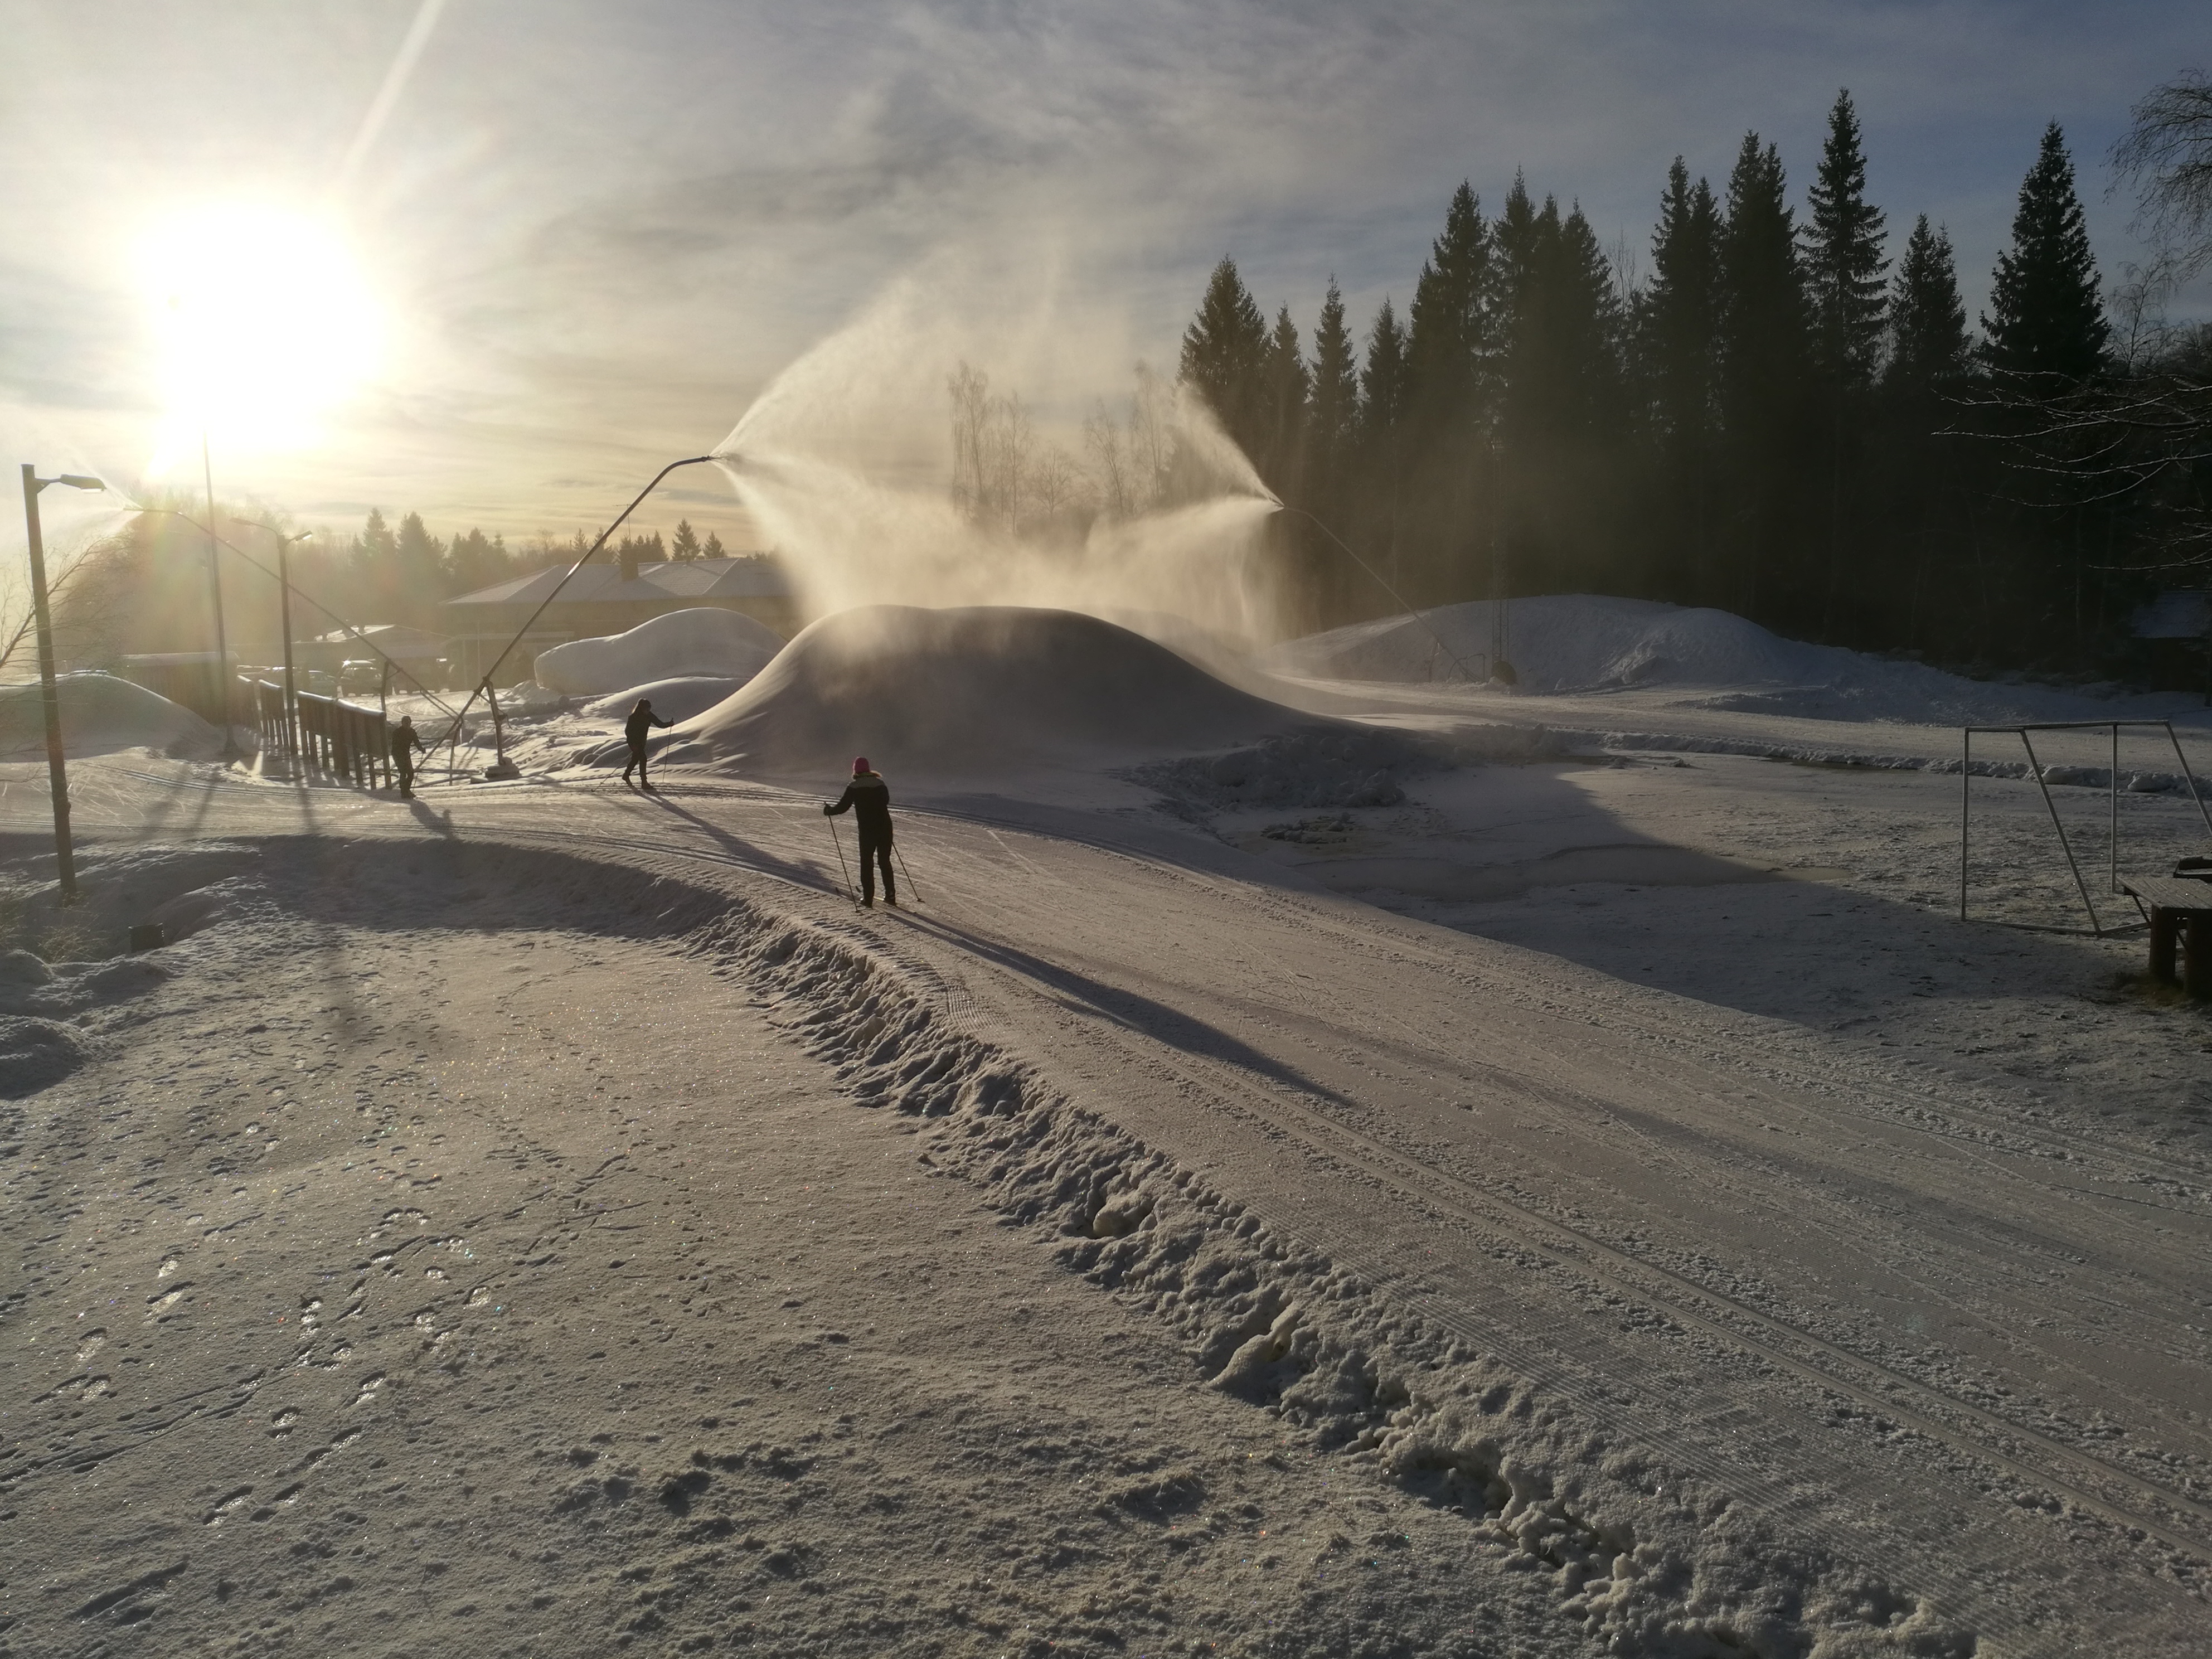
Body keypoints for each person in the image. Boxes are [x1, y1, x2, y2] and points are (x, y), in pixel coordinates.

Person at [823, 756, 895, 907]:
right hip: (885, 827)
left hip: (867, 830)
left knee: (866, 862)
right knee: (884, 861)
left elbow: (843, 807)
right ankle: (890, 895)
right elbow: (886, 801)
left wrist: (829, 811)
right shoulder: (880, 784)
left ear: (856, 771)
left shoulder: (854, 787)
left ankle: (868, 898)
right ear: (868, 770)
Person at [623, 698, 673, 790]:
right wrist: (633, 744)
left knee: (635, 759)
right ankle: (644, 782)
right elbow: (628, 732)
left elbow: (659, 724)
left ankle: (626, 775)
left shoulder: (649, 716)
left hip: (642, 742)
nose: (648, 711)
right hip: (634, 743)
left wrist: (669, 724)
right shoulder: (633, 717)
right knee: (643, 759)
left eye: (649, 709)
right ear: (641, 708)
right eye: (646, 709)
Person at [390, 714, 428, 798]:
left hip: (406, 755)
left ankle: (407, 790)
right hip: (398, 755)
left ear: (410, 723)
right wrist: (401, 752)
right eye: (405, 723)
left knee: (410, 774)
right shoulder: (397, 732)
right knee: (403, 773)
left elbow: (417, 742)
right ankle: (404, 792)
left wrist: (421, 749)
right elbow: (395, 745)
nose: (407, 724)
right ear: (402, 723)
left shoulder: (412, 732)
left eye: (408, 723)